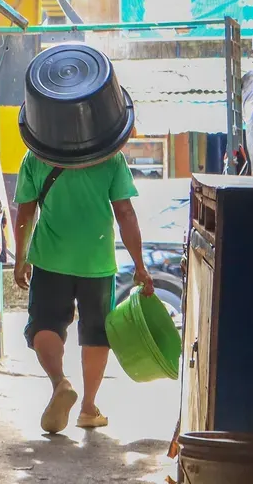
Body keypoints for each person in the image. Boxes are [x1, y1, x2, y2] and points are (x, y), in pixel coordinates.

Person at [12, 148, 153, 434]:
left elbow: (26, 211)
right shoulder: (110, 156)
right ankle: (88, 408)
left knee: (46, 323)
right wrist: (139, 265)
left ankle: (60, 382)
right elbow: (125, 212)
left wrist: (20, 258)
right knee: (97, 333)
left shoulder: (36, 156)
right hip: (97, 261)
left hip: (51, 258)